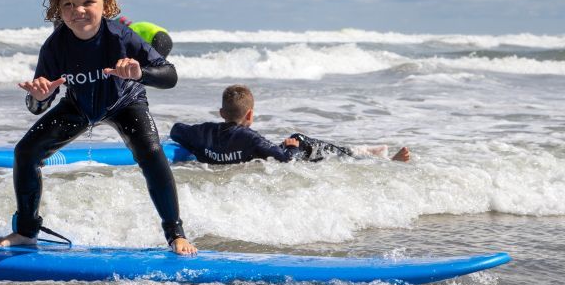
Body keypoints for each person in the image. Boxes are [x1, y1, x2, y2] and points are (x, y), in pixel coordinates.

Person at [0, 0, 196, 255]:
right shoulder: (55, 47)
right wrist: (40, 96)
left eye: (88, 1)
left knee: (151, 153)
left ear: (105, 3)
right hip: (79, 105)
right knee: (25, 152)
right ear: (58, 10)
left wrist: (140, 74)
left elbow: (170, 76)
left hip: (125, 102)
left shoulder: (121, 37)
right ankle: (26, 231)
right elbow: (37, 105)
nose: (78, 10)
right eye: (68, 4)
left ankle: (176, 234)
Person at [170, 84, 410, 165]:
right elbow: (286, 159)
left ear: (221, 112)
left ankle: (362, 152)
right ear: (250, 115)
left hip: (228, 152)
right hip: (256, 155)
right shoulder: (252, 139)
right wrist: (292, 146)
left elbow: (175, 130)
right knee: (300, 139)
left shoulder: (203, 131)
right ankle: (364, 155)